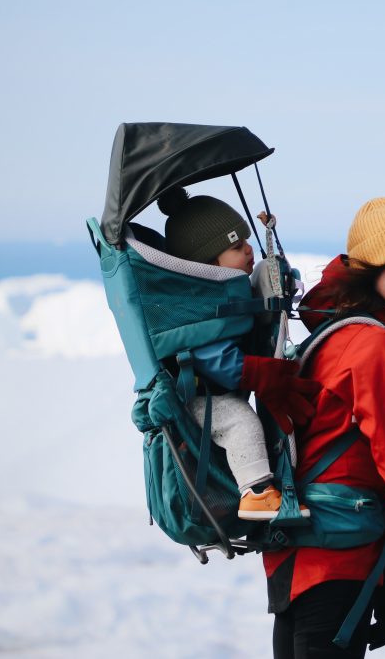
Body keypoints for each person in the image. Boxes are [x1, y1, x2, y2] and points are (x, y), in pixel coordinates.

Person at [265, 197, 385, 658]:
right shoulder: (372, 345)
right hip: (337, 552)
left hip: (304, 551)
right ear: (370, 269)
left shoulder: (335, 335)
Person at [156, 187, 312, 520]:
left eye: (247, 241)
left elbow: (266, 281)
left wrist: (271, 244)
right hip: (196, 401)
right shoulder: (199, 310)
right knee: (241, 422)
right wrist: (259, 373)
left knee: (240, 417)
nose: (248, 250)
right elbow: (218, 361)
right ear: (209, 264)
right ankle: (255, 493)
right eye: (237, 246)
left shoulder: (226, 295)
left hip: (216, 395)